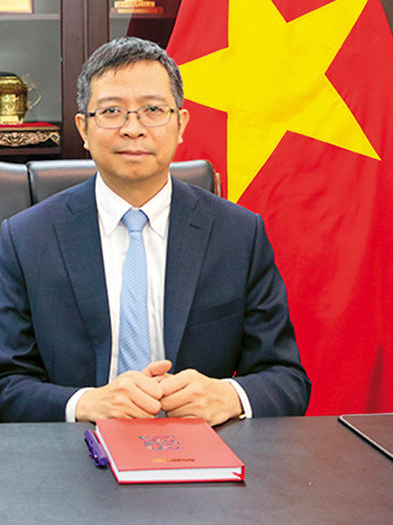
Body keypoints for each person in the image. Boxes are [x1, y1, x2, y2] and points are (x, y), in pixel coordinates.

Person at [0, 37, 310, 423]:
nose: (133, 129)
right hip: (77, 450)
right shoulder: (25, 239)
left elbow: (287, 379)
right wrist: (85, 403)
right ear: (83, 129)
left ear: (180, 124)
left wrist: (228, 396)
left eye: (153, 110)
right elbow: (6, 383)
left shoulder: (238, 235)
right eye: (111, 111)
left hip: (203, 449)